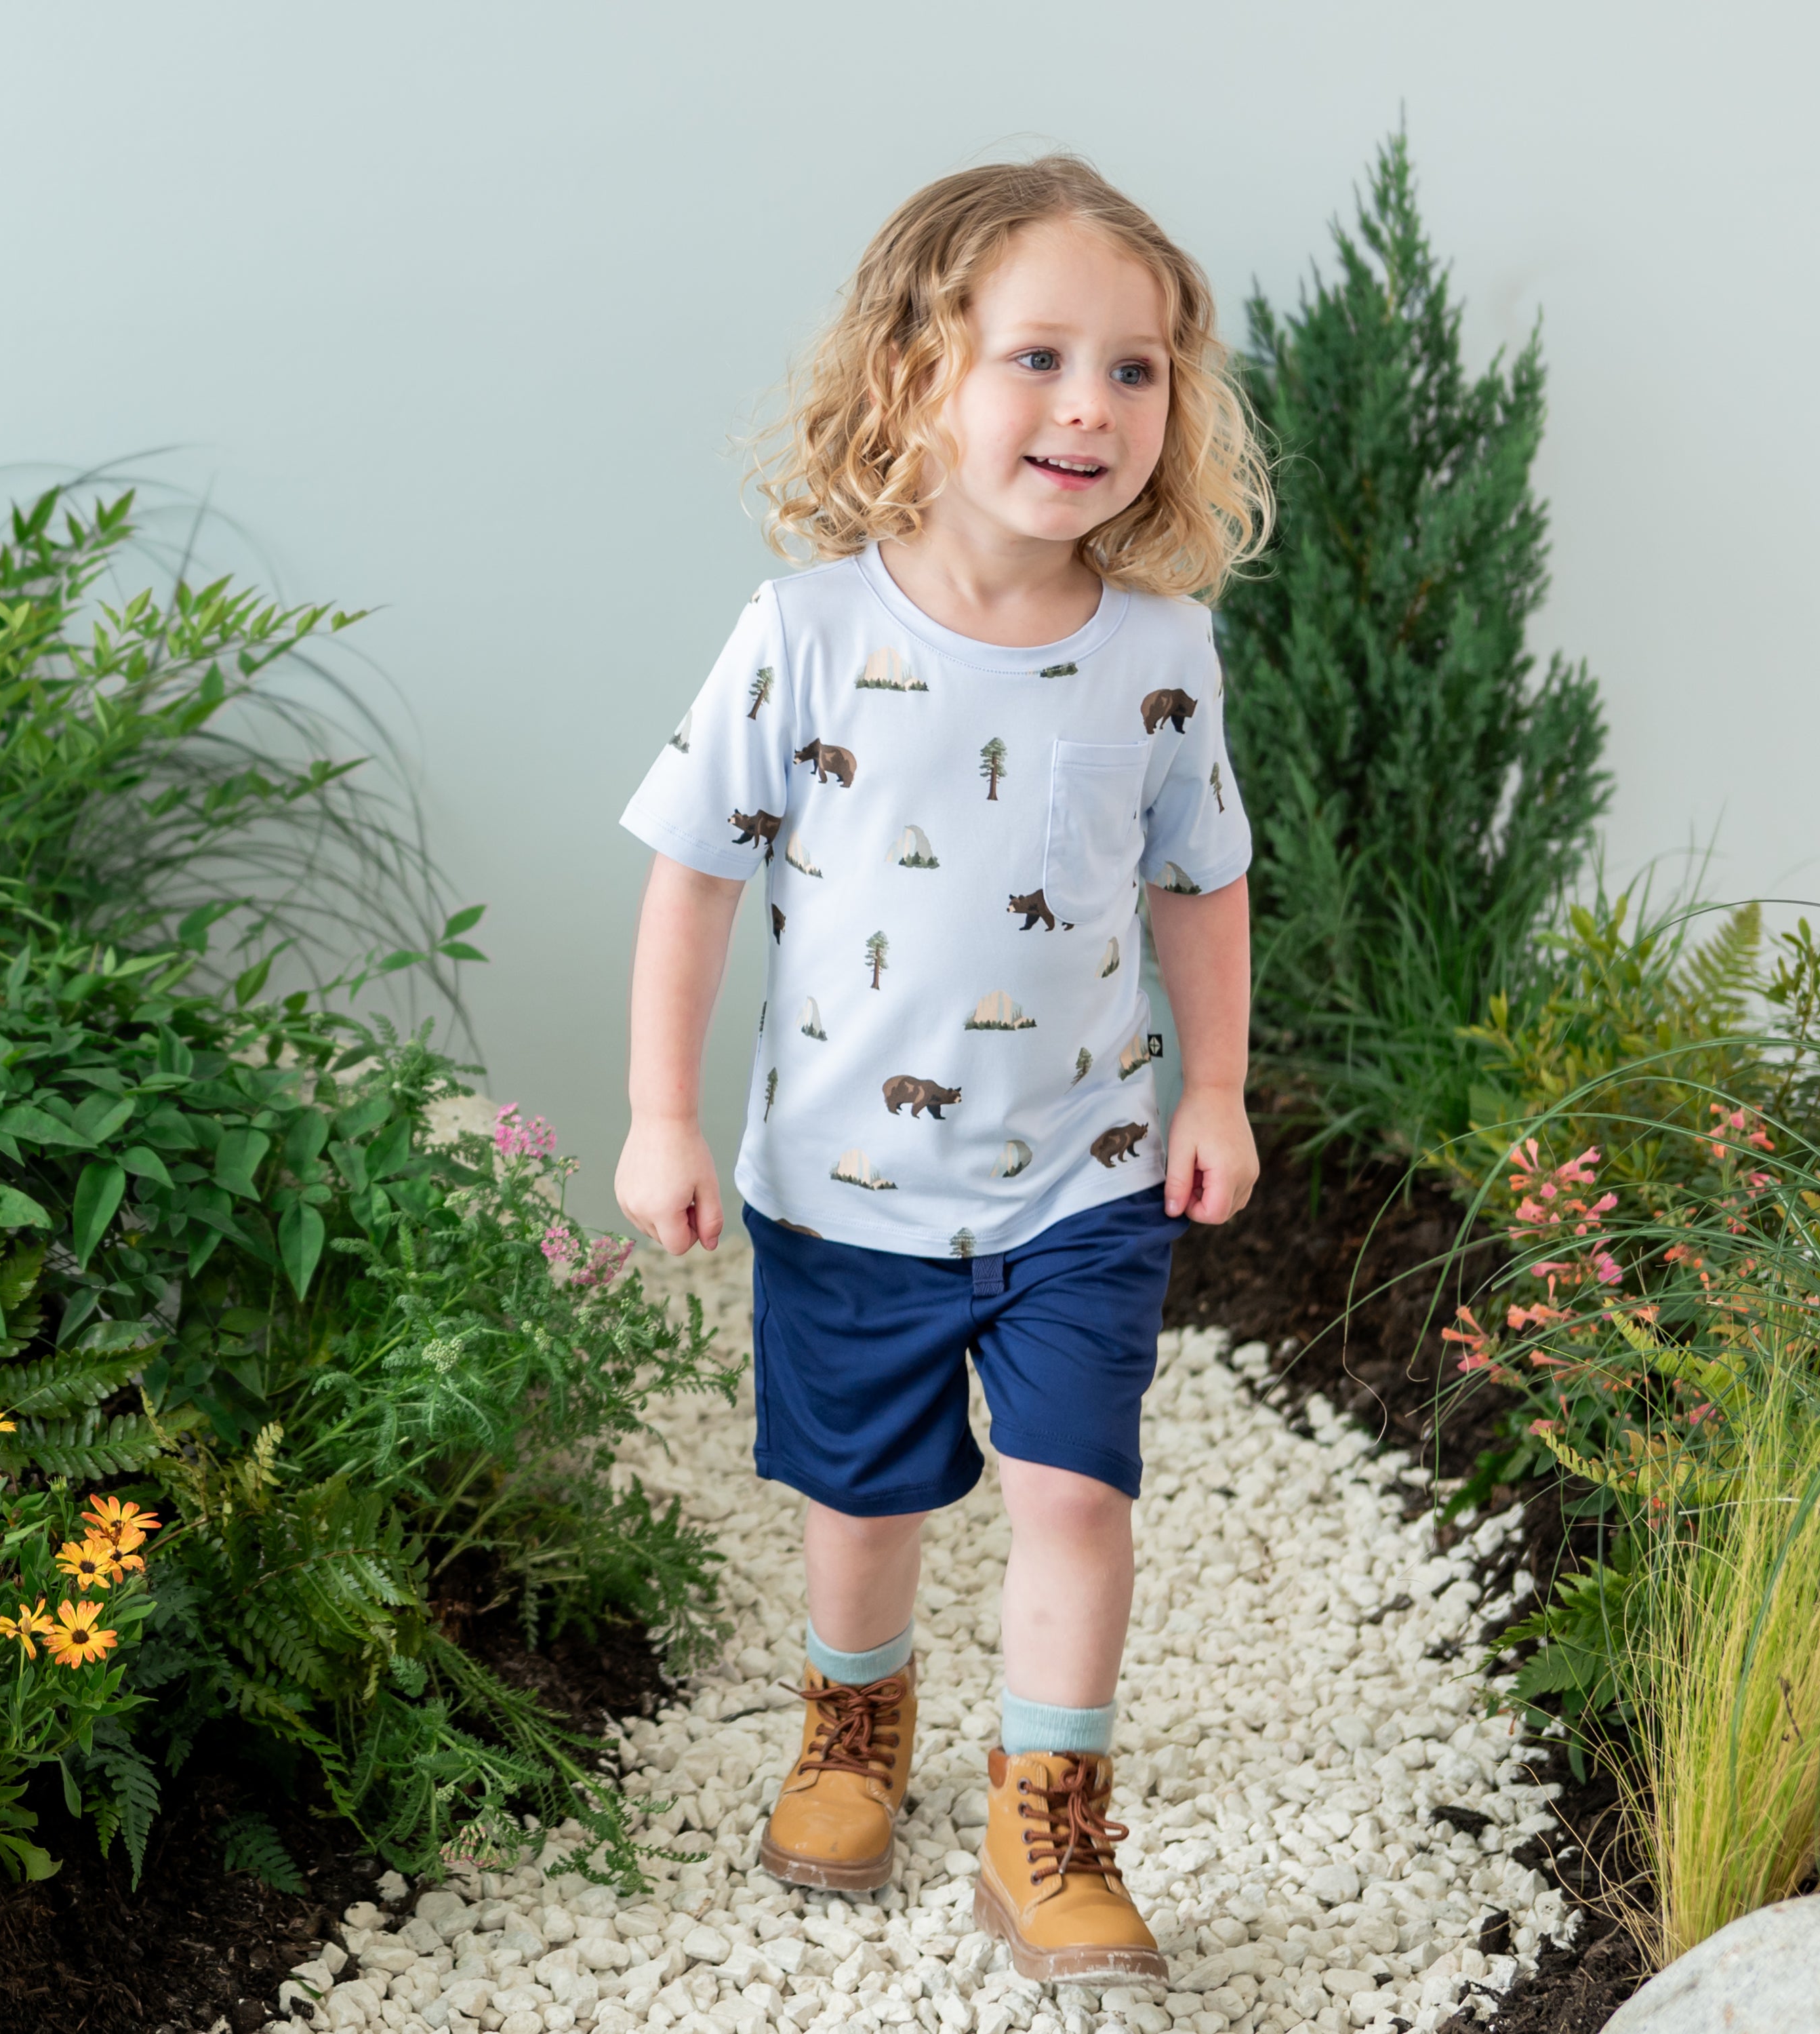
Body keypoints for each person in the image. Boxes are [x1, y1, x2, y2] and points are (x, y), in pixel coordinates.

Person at [615, 155, 1269, 1983]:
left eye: (1136, 370)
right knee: (867, 1494)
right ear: (915, 377)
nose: (1091, 406)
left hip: (1088, 1168)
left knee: (1076, 1487)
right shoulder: (806, 635)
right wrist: (665, 1112)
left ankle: (1049, 1816)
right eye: (1040, 356)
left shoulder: (1163, 651)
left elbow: (1202, 883)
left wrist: (1212, 1090)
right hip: (847, 1178)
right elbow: (693, 880)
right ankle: (855, 1722)